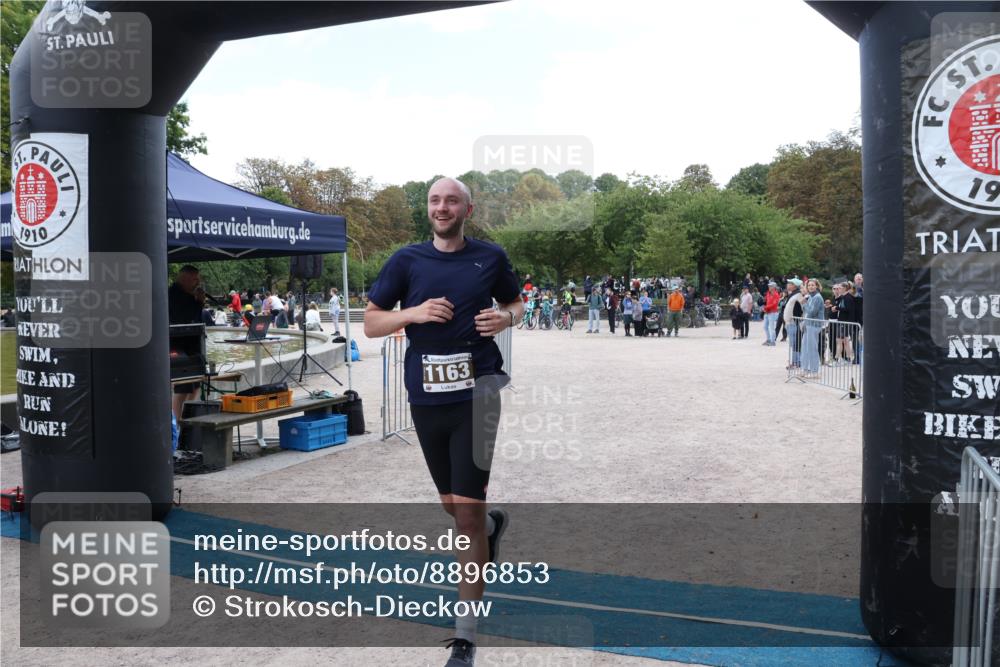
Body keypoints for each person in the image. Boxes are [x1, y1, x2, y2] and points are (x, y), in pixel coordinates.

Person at [364, 177, 523, 667]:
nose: (442, 207)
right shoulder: (406, 260)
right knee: (454, 509)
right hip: (427, 398)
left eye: (451, 200)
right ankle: (488, 528)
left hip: (479, 391)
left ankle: (465, 637)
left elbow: (516, 302)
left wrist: (506, 319)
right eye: (435, 200)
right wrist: (413, 313)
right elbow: (371, 323)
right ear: (427, 209)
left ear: (467, 210)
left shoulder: (489, 257)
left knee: (466, 515)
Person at [168, 265, 204, 422]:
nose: (198, 282)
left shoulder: (188, 295)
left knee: (195, 386)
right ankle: (175, 427)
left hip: (193, 347)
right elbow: (184, 318)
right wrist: (197, 302)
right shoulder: (174, 295)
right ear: (185, 278)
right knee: (182, 388)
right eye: (195, 279)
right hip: (180, 348)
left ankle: (186, 425)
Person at [801, 278, 825, 377]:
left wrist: (804, 303)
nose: (810, 287)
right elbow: (807, 312)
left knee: (812, 348)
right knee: (805, 347)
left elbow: (811, 312)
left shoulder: (817, 297)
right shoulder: (810, 297)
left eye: (812, 285)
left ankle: (814, 371)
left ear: (817, 286)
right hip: (808, 324)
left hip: (814, 325)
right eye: (809, 285)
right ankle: (805, 369)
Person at [783, 279, 804, 369]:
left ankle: (797, 362)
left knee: (795, 343)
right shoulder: (792, 294)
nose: (788, 284)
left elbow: (802, 308)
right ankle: (795, 361)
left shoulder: (798, 295)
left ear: (794, 285)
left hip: (794, 322)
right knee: (793, 344)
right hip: (790, 322)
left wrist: (797, 320)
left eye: (790, 283)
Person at [762, 282, 781, 346]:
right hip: (767, 312)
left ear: (774, 287)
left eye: (770, 286)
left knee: (771, 327)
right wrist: (764, 306)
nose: (769, 287)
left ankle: (773, 341)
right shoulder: (768, 293)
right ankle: (768, 339)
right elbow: (766, 301)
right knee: (765, 327)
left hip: (772, 312)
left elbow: (774, 304)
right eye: (769, 286)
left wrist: (765, 307)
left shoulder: (776, 294)